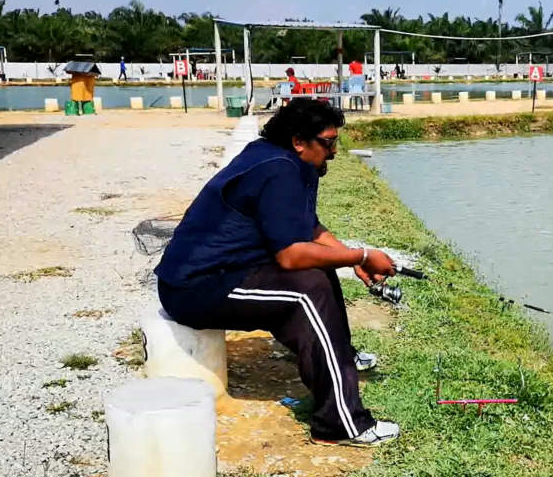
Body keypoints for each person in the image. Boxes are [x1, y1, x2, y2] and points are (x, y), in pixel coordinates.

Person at [154, 99, 400, 447]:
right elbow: (290, 255)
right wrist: (361, 254)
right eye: (328, 142)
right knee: (307, 289)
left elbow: (308, 229)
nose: (334, 152)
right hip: (197, 287)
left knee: (320, 267)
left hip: (230, 271)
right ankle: (341, 424)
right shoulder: (278, 169)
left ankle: (339, 356)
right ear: (300, 141)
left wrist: (348, 256)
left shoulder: (285, 158)